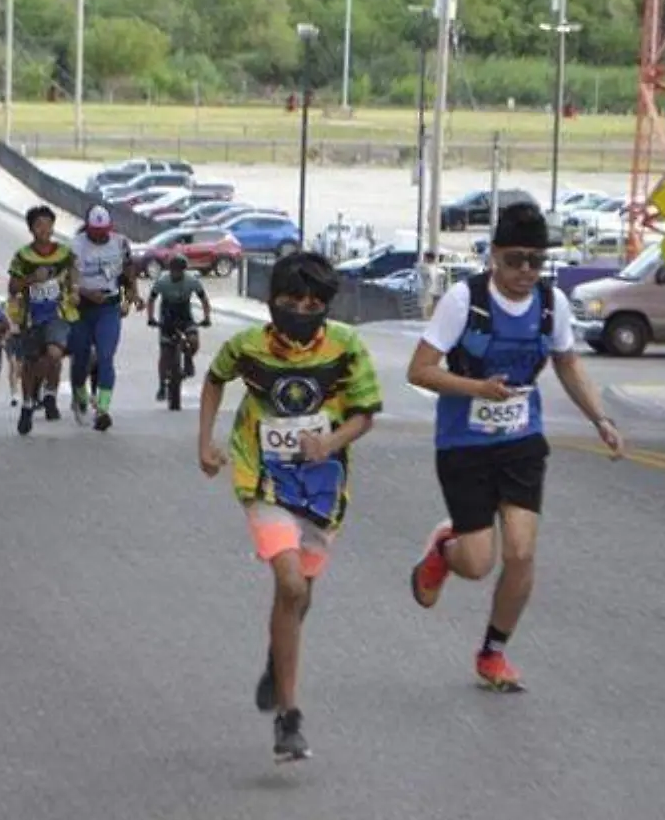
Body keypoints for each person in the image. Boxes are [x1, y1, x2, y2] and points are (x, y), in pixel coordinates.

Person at [406, 202, 624, 693]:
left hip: (522, 441)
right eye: (515, 260)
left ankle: (493, 653)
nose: (526, 271)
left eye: (535, 260)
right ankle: (445, 548)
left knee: (522, 553)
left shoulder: (552, 304)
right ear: (494, 257)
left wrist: (601, 419)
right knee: (479, 563)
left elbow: (568, 364)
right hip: (464, 443)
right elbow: (419, 370)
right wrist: (477, 388)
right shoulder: (465, 300)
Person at [197, 252, 382, 762]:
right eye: (291, 301)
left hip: (323, 487)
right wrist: (205, 442)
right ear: (271, 301)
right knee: (290, 582)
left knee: (300, 598)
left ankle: (277, 660)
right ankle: (289, 716)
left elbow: (366, 414)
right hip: (263, 479)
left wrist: (331, 441)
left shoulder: (346, 348)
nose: (303, 310)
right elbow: (214, 379)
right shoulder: (247, 347)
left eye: (313, 302)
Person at [8, 205, 77, 437]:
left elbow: (73, 271)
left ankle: (49, 394)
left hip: (57, 314)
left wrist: (74, 289)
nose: (44, 230)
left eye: (48, 225)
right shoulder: (23, 256)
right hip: (31, 317)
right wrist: (30, 279)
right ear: (31, 229)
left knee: (55, 353)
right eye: (39, 225)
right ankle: (28, 405)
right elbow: (12, 287)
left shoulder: (64, 253)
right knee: (31, 364)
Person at [68, 205, 138, 431]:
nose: (100, 235)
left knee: (106, 356)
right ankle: (79, 393)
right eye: (95, 231)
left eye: (104, 230)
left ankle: (103, 408)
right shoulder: (76, 245)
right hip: (82, 308)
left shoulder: (120, 243)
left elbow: (129, 271)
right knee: (81, 357)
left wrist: (131, 296)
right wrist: (85, 292)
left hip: (108, 307)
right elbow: (71, 278)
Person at [147, 255, 212, 400]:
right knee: (165, 354)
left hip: (185, 316)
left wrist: (207, 318)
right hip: (167, 317)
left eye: (180, 271)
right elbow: (151, 300)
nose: (176, 274)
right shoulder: (162, 282)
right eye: (174, 271)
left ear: (184, 271)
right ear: (169, 270)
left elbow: (204, 300)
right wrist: (151, 318)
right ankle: (162, 386)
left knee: (194, 340)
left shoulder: (192, 281)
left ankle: (188, 359)